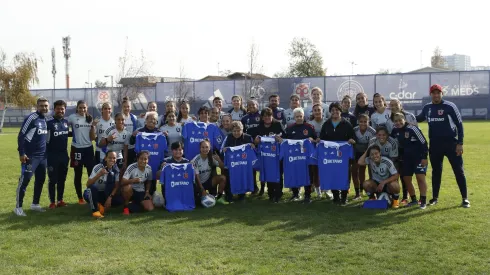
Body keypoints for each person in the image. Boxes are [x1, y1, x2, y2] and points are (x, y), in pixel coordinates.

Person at [416, 84, 469, 208]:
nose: (436, 95)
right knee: (436, 172)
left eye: (438, 93)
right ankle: (434, 198)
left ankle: (465, 198)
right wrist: (402, 113)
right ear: (431, 95)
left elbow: (459, 125)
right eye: (433, 93)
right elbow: (418, 118)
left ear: (441, 93)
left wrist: (460, 143)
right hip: (435, 145)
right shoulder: (427, 108)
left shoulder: (450, 106)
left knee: (459, 171)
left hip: (451, 144)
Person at [15, 97, 50, 216]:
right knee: (25, 181)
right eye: (41, 106)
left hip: (43, 157)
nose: (44, 108)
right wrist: (21, 153)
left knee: (40, 180)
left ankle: (35, 204)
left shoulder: (45, 119)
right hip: (30, 157)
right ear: (37, 106)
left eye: (46, 106)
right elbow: (21, 135)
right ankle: (18, 207)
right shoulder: (31, 118)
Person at [319, 102, 356, 205]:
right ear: (330, 112)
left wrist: (351, 141)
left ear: (340, 111)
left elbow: (353, 137)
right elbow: (322, 138)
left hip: (343, 155)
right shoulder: (326, 124)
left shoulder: (346, 124)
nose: (335, 112)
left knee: (344, 175)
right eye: (333, 110)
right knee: (332, 174)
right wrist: (319, 140)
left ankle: (344, 197)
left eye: (337, 110)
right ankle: (336, 196)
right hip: (330, 155)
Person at [392, 113, 428, 209]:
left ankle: (423, 201)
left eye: (400, 120)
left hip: (418, 158)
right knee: (407, 179)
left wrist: (424, 157)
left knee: (420, 178)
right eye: (396, 121)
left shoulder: (413, 129)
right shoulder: (395, 130)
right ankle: (414, 200)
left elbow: (424, 143)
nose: (398, 122)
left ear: (404, 119)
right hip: (405, 159)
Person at [284, 108, 317, 203]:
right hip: (294, 157)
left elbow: (316, 140)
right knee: (294, 173)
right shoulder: (289, 128)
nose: (299, 118)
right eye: (297, 116)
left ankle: (307, 195)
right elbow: (285, 141)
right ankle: (295, 194)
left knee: (308, 174)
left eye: (301, 116)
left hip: (306, 157)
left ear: (303, 116)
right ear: (294, 117)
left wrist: (312, 140)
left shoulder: (309, 127)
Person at [68, 100, 97, 204]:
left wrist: (93, 126)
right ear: (77, 108)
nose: (82, 109)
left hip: (89, 149)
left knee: (91, 173)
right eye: (80, 107)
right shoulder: (72, 117)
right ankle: (80, 198)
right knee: (78, 173)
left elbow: (92, 136)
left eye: (84, 108)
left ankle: (91, 195)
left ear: (87, 108)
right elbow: (64, 126)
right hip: (76, 149)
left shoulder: (89, 119)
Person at [253, 108, 285, 201]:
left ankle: (278, 193)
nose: (267, 117)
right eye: (265, 116)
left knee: (278, 173)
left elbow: (285, 137)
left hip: (277, 154)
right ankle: (271, 193)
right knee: (268, 173)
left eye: (269, 115)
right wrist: (256, 141)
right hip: (265, 155)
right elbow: (254, 141)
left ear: (272, 116)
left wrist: (280, 139)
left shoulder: (278, 125)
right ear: (262, 117)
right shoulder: (259, 127)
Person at [131, 111, 164, 195]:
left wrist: (165, 136)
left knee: (152, 190)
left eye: (155, 120)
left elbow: (164, 145)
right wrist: (133, 135)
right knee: (139, 188)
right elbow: (131, 142)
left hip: (154, 164)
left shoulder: (159, 132)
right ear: (146, 120)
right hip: (141, 164)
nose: (152, 121)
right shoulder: (140, 131)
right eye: (151, 119)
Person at [222, 121, 254, 202]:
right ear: (231, 131)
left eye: (238, 130)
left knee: (242, 176)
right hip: (232, 162)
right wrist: (225, 150)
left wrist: (253, 146)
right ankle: (229, 195)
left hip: (244, 163)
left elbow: (253, 149)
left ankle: (242, 195)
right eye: (234, 131)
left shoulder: (248, 137)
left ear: (242, 130)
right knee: (228, 175)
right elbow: (223, 149)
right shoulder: (229, 137)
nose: (236, 133)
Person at [84, 151, 122, 218]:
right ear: (105, 158)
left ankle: (100, 205)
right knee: (92, 189)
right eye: (110, 158)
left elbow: (116, 186)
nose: (112, 160)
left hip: (105, 193)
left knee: (119, 200)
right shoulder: (98, 167)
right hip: (95, 191)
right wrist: (99, 174)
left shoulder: (116, 169)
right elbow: (88, 184)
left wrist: (110, 197)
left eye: (114, 158)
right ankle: (95, 211)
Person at [46, 100, 70, 209]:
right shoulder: (49, 122)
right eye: (58, 108)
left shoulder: (66, 122)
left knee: (62, 179)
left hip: (64, 155)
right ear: (54, 109)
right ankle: (52, 202)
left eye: (62, 109)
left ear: (65, 110)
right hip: (52, 156)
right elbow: (45, 141)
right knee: (53, 179)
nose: (60, 111)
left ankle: (60, 200)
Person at [191, 140, 228, 204]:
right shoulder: (196, 160)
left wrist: (219, 159)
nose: (205, 149)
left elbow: (223, 167)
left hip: (208, 182)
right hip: (197, 184)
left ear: (209, 148)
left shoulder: (211, 158)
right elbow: (196, 177)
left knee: (223, 178)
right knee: (197, 202)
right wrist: (202, 190)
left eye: (206, 147)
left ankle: (218, 198)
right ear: (200, 148)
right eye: (203, 147)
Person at [352, 114, 376, 200]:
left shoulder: (372, 131)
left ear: (368, 122)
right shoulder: (354, 130)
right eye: (361, 122)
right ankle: (357, 192)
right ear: (358, 122)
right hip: (357, 152)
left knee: (363, 171)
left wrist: (367, 154)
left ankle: (365, 190)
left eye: (365, 122)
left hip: (368, 152)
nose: (363, 123)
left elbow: (373, 145)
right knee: (354, 171)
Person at [307, 103, 327, 198]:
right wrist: (314, 140)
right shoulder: (310, 124)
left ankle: (327, 189)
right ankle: (318, 190)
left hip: (325, 149)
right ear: (313, 112)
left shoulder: (327, 122)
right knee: (315, 170)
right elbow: (308, 137)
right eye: (315, 110)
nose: (317, 112)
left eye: (319, 110)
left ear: (322, 111)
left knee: (325, 169)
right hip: (314, 149)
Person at [121, 98, 139, 164]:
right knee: (122, 168)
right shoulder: (119, 117)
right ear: (122, 107)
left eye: (128, 106)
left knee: (131, 166)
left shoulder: (134, 117)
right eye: (124, 107)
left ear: (130, 107)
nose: (126, 108)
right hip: (122, 148)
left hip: (132, 147)